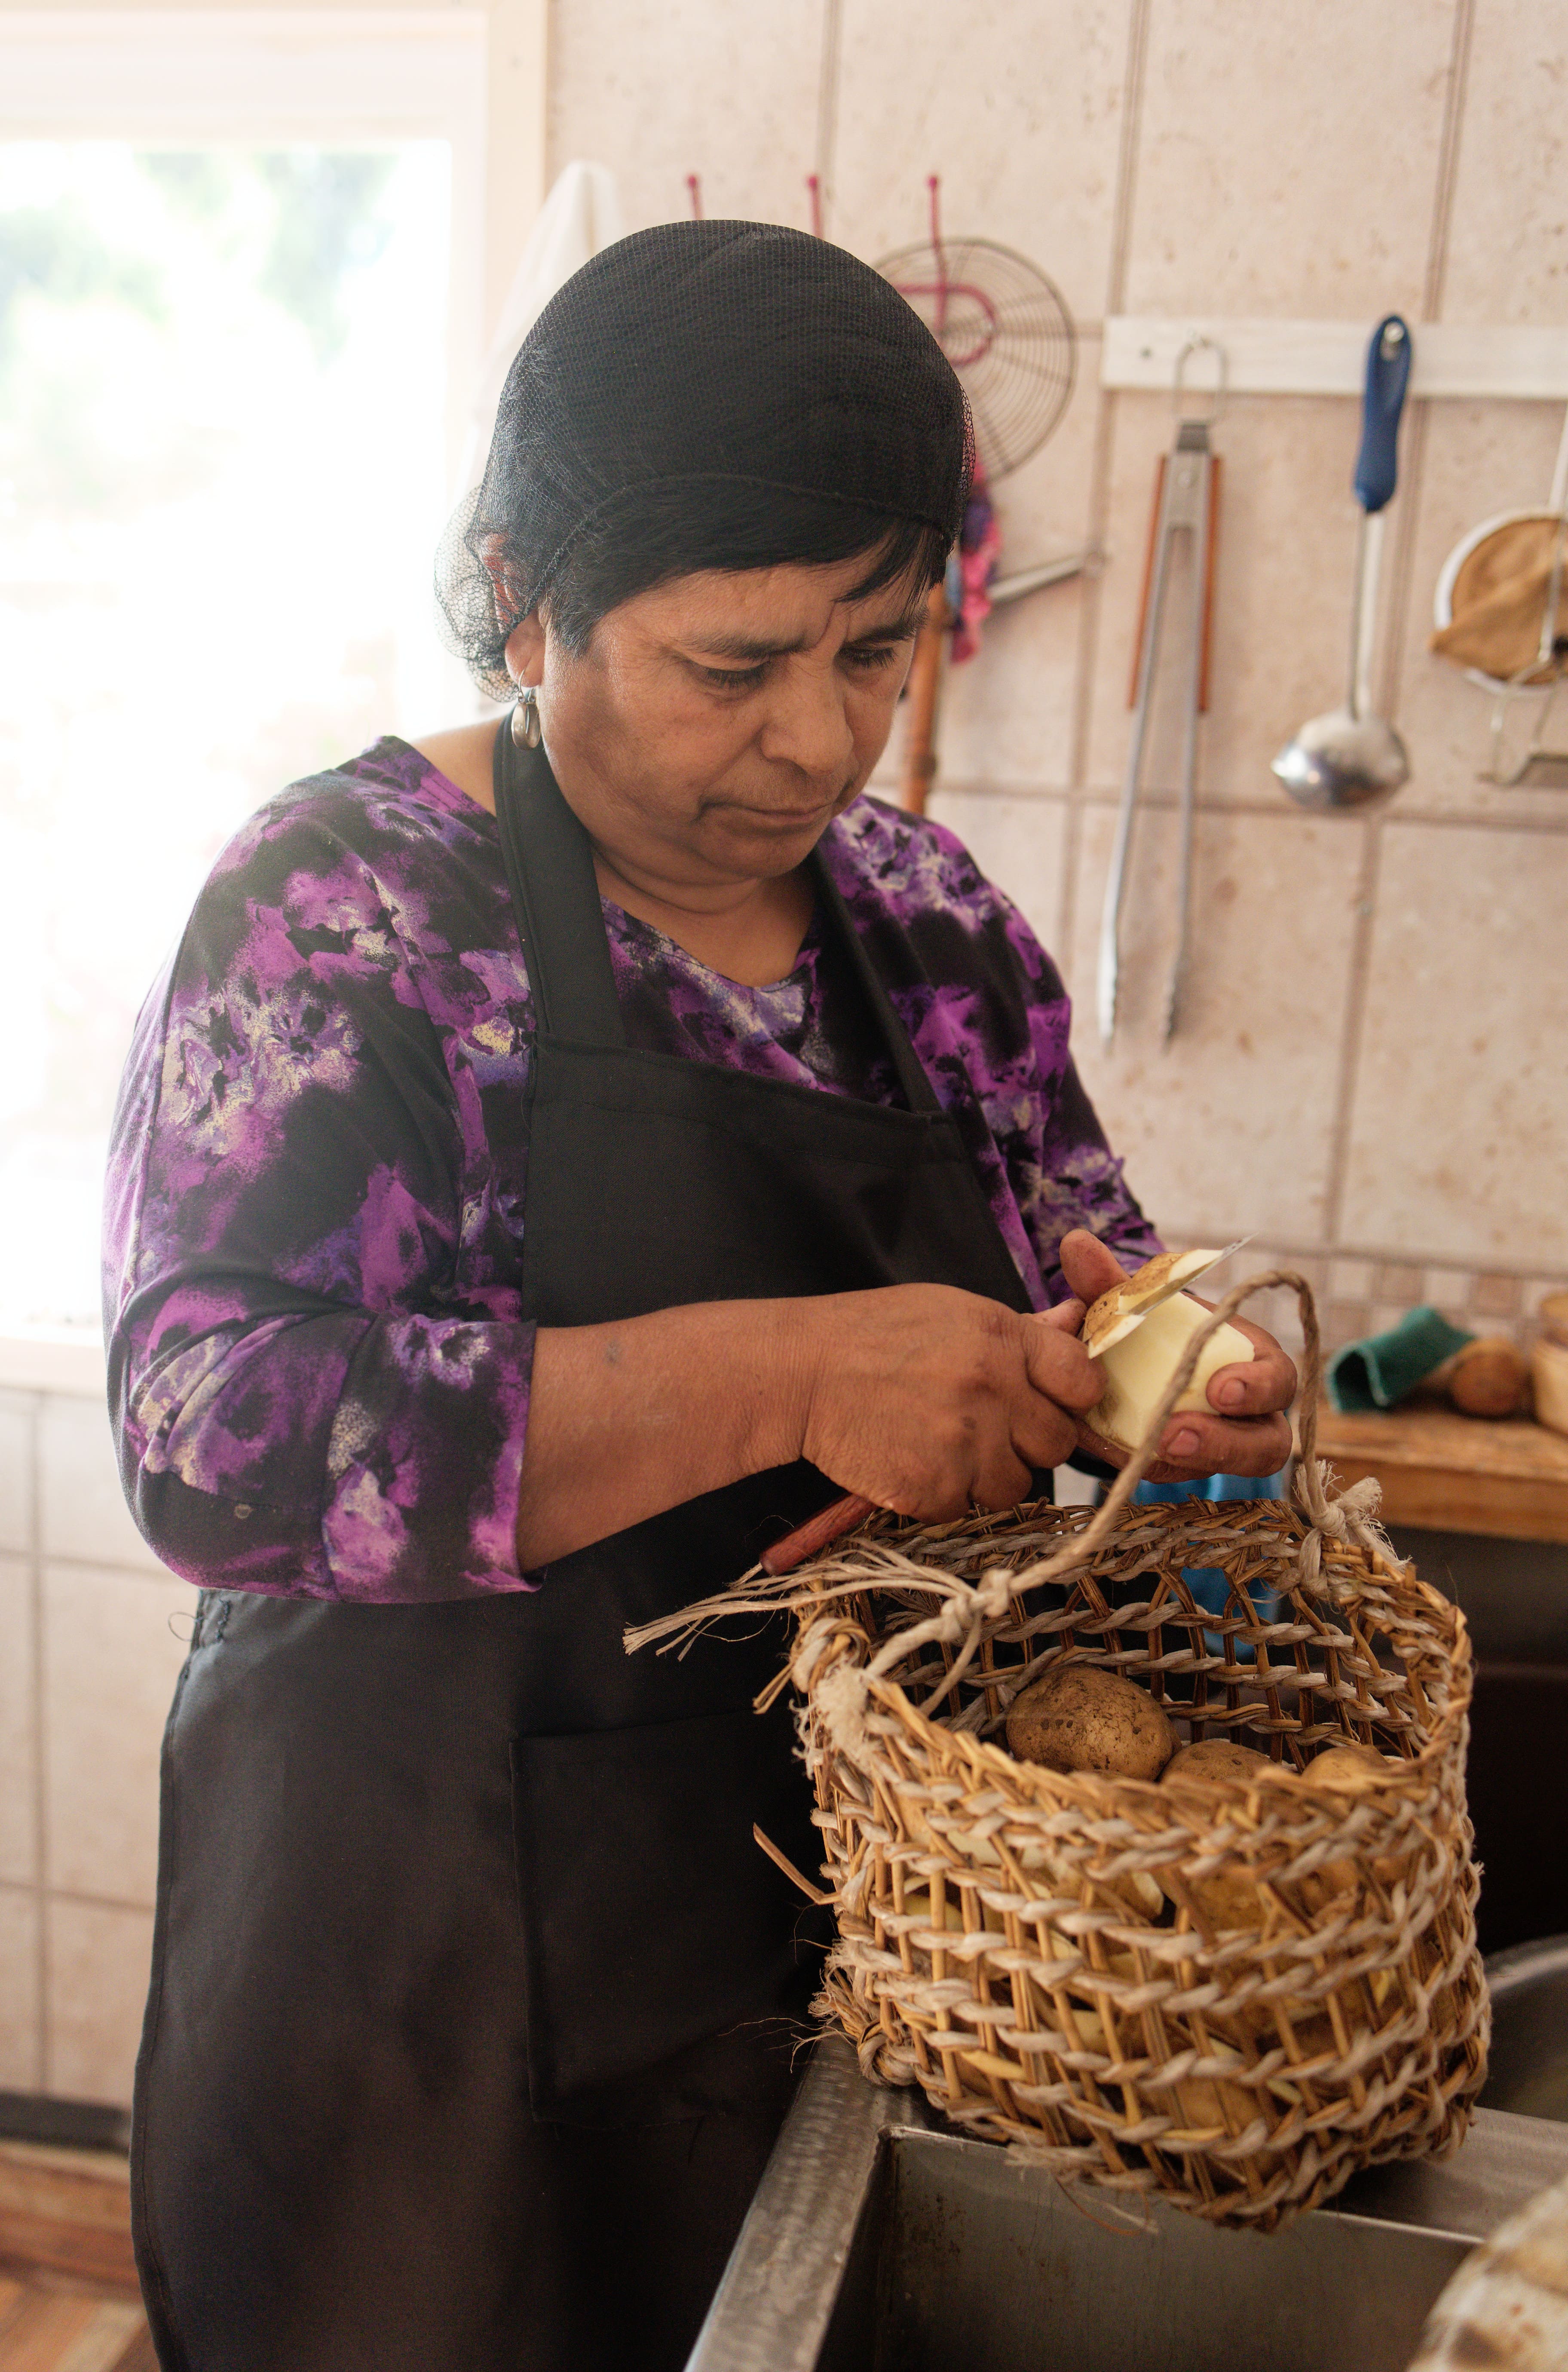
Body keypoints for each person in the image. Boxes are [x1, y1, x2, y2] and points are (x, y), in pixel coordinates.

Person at [104, 221, 1295, 2372]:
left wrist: (1163, 1381)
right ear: (522, 593)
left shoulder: (928, 930)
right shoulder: (348, 912)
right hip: (405, 1981)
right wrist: (792, 1373)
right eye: (734, 665)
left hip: (817, 1968)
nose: (820, 740)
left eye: (877, 650)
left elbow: (1091, 1269)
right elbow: (209, 1434)